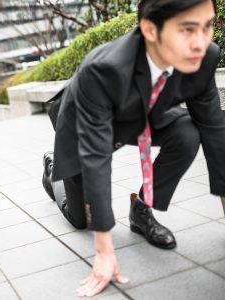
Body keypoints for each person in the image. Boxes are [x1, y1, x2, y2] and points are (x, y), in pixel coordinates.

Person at [42, 0, 225, 297]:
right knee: (82, 220)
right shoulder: (103, 69)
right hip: (83, 126)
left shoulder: (204, 57)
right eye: (187, 30)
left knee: (188, 133)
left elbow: (215, 132)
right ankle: (54, 173)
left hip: (144, 113)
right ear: (150, 29)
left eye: (208, 26)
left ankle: (142, 210)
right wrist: (104, 251)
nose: (201, 42)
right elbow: (96, 157)